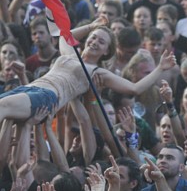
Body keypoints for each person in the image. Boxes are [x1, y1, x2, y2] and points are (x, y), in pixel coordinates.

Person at [0, 26, 177, 124]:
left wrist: (160, 68)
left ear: (107, 51)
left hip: (47, 96)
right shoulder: (70, 55)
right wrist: (92, 26)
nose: (94, 42)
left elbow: (134, 88)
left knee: (2, 106)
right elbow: (64, 36)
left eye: (101, 42)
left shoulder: (96, 71)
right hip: (31, 88)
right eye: (93, 37)